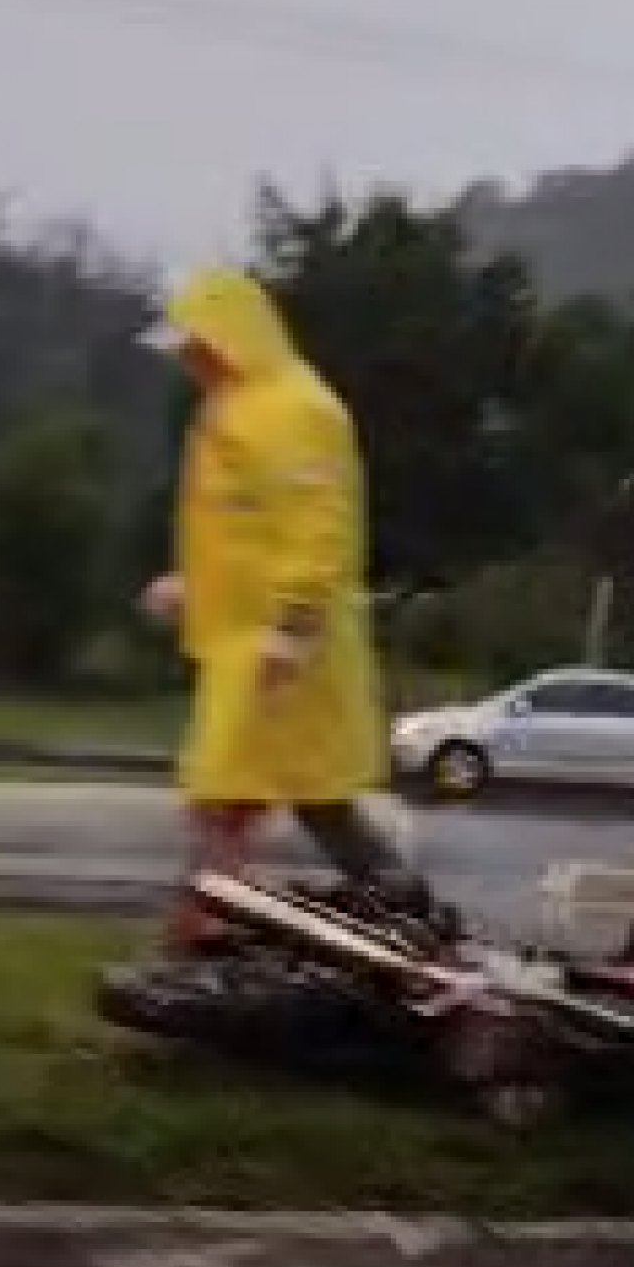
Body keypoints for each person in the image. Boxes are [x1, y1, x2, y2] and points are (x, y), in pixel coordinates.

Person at [139, 265, 414, 951]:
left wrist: (293, 627)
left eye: (196, 345)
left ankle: (203, 936)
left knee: (242, 795)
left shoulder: (298, 410)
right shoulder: (234, 407)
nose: (188, 360)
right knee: (256, 793)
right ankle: (397, 911)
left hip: (287, 651)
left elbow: (318, 529)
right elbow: (240, 529)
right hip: (247, 647)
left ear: (232, 338)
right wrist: (192, 585)